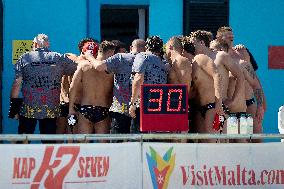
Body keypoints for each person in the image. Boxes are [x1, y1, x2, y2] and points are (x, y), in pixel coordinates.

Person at [9, 33, 77, 143]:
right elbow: (77, 69)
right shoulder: (58, 57)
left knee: (23, 141)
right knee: (49, 143)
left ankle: (24, 159)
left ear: (34, 44)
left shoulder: (25, 57)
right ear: (48, 44)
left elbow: (17, 84)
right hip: (51, 109)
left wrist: (13, 110)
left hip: (28, 108)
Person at [85, 39, 146, 134]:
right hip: (139, 111)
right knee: (137, 145)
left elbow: (99, 66)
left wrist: (89, 57)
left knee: (117, 145)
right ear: (145, 49)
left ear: (130, 48)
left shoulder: (120, 57)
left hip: (120, 109)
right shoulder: (149, 60)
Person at [216, 26, 265, 141]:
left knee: (253, 142)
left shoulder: (241, 58)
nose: (231, 36)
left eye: (232, 34)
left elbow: (256, 84)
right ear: (218, 38)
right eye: (227, 34)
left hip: (241, 111)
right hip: (222, 112)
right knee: (220, 146)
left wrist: (261, 106)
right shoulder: (214, 57)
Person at [68, 41, 115, 138]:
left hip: (86, 108)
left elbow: (73, 87)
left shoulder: (83, 65)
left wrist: (71, 109)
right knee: (104, 146)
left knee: (83, 145)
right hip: (103, 109)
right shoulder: (111, 69)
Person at [190, 30, 228, 142]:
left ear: (201, 43)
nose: (193, 46)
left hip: (214, 108)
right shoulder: (196, 60)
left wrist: (219, 104)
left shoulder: (209, 57)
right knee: (206, 148)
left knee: (217, 145)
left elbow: (217, 76)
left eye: (194, 43)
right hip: (203, 109)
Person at [56, 38, 98, 136]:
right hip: (73, 104)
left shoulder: (68, 60)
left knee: (60, 134)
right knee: (72, 134)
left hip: (64, 102)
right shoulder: (85, 66)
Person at [129, 36, 168, 133]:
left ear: (147, 47)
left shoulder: (142, 56)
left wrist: (133, 104)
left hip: (143, 104)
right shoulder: (164, 64)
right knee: (154, 143)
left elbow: (138, 79)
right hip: (159, 106)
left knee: (139, 142)